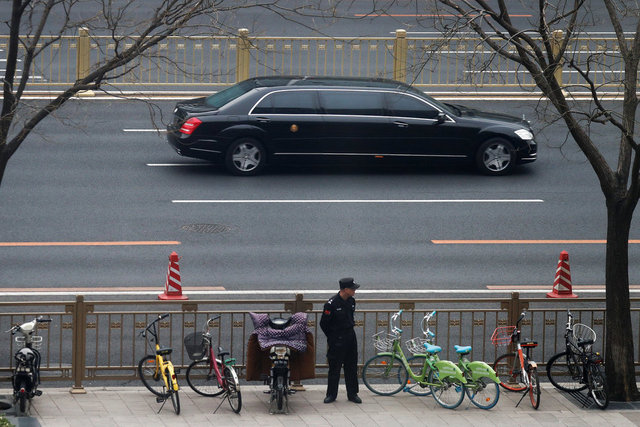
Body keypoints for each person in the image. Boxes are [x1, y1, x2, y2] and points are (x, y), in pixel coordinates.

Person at [320, 277, 362, 404]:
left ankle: (352, 394)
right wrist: (333, 337)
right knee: (335, 368)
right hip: (337, 338)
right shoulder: (331, 304)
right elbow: (324, 324)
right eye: (353, 289)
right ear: (345, 289)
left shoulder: (351, 301)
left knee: (351, 367)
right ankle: (331, 394)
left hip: (350, 336)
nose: (355, 291)